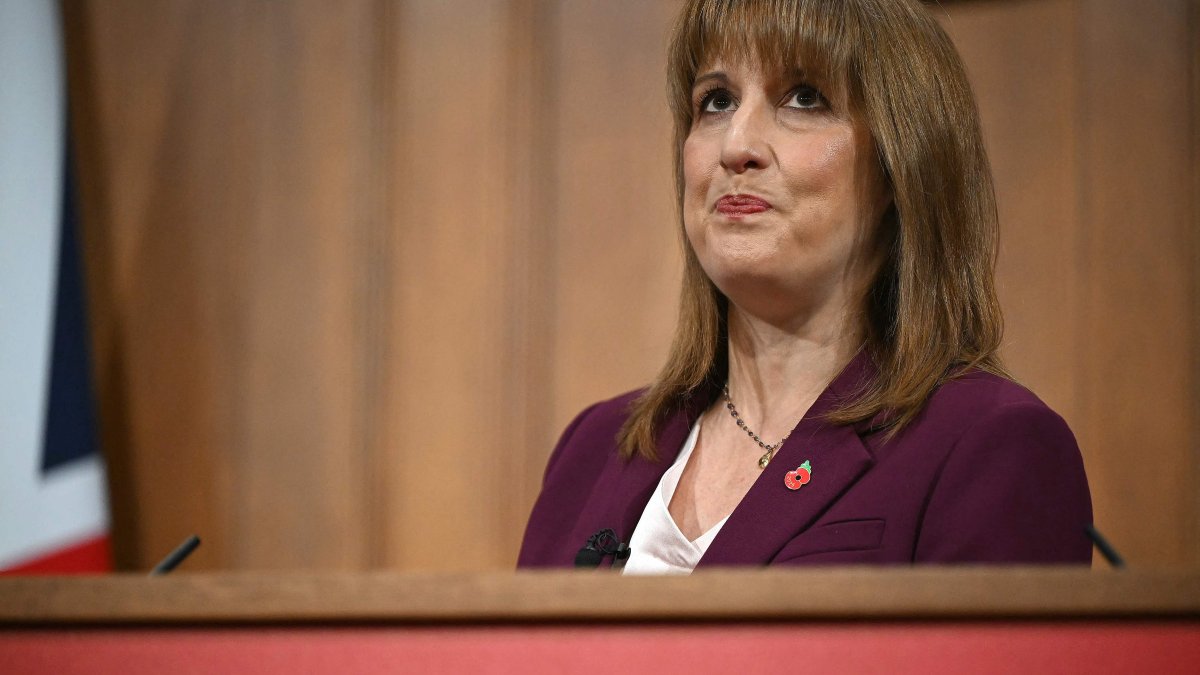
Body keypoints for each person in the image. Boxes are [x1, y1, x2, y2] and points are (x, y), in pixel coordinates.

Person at [518, 0, 1092, 572]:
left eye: (804, 98)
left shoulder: (990, 447)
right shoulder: (594, 448)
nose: (736, 146)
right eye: (716, 102)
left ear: (902, 162)